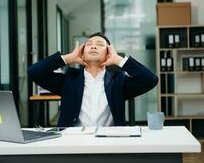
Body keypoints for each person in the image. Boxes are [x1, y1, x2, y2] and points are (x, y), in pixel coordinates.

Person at [28, 32, 158, 127]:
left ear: (108, 53)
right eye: (89, 44)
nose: (93, 46)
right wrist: (68, 58)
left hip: (110, 141)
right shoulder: (69, 79)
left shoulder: (118, 80)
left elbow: (150, 80)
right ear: (83, 54)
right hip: (73, 141)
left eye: (100, 44)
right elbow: (34, 72)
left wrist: (119, 60)